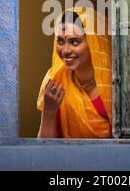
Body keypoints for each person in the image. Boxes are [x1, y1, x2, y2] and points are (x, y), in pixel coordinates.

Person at [37, 7, 111, 138]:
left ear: (95, 43)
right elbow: (44, 152)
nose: (65, 50)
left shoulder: (115, 87)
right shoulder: (55, 83)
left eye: (74, 42)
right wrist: (49, 112)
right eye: (60, 41)